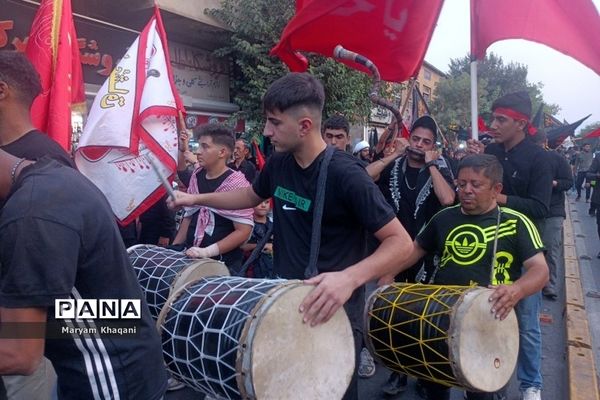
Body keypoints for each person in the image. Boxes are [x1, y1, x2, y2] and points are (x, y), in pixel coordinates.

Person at [167, 72, 413, 400]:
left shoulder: (346, 174)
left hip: (331, 308)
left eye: (274, 122)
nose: (267, 131)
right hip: (281, 301)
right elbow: (250, 196)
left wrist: (348, 279)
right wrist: (195, 199)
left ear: (305, 126)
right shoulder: (279, 163)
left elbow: (401, 242)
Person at [0, 149, 167, 399]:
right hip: (123, 358)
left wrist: (26, 325)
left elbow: (20, 354)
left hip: (113, 379)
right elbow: (111, 311)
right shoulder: (58, 178)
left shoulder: (32, 214)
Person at [381, 154, 548, 400]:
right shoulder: (444, 217)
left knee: (480, 394)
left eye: (476, 185)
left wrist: (516, 290)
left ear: (496, 189)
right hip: (439, 318)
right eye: (461, 184)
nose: (466, 190)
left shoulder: (517, 222)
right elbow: (415, 249)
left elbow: (540, 270)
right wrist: (389, 273)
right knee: (435, 388)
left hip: (487, 322)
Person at [467, 91, 552, 400]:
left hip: (525, 253)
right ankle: (491, 377)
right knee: (488, 318)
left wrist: (497, 197)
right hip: (488, 248)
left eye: (501, 119)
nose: (493, 124)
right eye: (493, 118)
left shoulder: (539, 158)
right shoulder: (491, 152)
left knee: (527, 325)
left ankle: (531, 384)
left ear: (521, 123)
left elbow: (541, 208)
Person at [366, 115, 455, 395]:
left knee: (423, 317)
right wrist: (393, 155)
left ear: (433, 146)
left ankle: (425, 374)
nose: (418, 145)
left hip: (425, 254)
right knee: (394, 316)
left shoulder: (440, 167)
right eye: (415, 139)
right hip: (391, 250)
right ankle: (398, 372)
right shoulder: (395, 165)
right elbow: (364, 178)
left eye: (425, 142)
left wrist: (431, 164)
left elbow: (447, 199)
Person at [172, 123, 254, 274]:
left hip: (223, 264)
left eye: (205, 147)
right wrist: (175, 248)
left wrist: (208, 252)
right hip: (191, 258)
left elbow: (243, 231)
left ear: (222, 152)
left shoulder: (238, 185)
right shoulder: (197, 175)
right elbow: (189, 215)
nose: (197, 152)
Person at [531, 130, 573, 300]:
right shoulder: (527, 158)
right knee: (532, 249)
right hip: (531, 209)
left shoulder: (557, 159)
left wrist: (554, 183)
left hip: (552, 211)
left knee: (550, 248)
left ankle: (549, 284)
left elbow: (569, 182)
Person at [240, 199, 274, 278]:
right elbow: (241, 246)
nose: (263, 205)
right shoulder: (246, 224)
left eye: (267, 202)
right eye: (259, 202)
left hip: (271, 266)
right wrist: (263, 246)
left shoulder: (274, 223)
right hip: (250, 267)